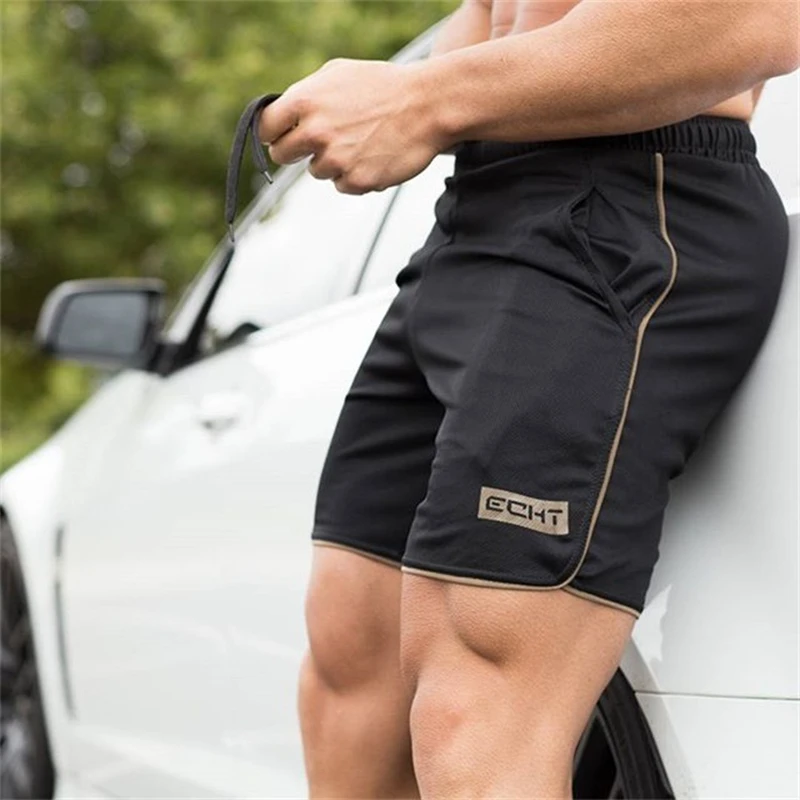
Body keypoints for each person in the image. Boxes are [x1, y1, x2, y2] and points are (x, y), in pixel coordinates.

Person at [258, 2, 798, 797]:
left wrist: (423, 98)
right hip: (477, 204)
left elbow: (759, 17)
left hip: (629, 202)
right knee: (353, 667)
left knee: (480, 698)